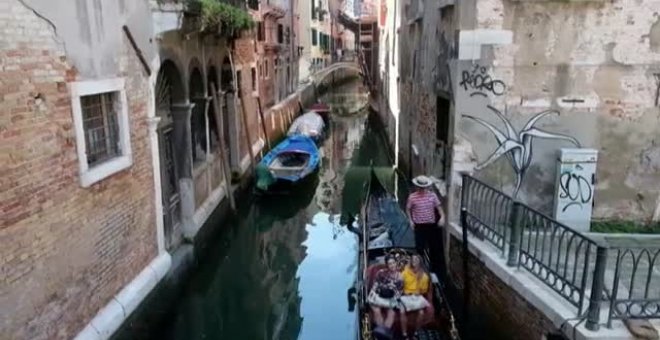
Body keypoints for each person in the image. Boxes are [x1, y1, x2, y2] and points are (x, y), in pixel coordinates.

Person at [406, 175, 444, 256]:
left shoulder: (432, 196)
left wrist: (442, 217)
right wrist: (410, 221)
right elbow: (408, 209)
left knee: (434, 249)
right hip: (419, 226)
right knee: (419, 248)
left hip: (431, 226)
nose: (422, 190)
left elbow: (439, 207)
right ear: (417, 187)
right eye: (420, 187)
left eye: (424, 188)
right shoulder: (412, 197)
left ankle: (433, 266)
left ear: (426, 187)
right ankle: (419, 265)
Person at [368, 256, 404, 335]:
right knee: (376, 310)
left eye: (393, 263)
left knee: (391, 312)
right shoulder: (381, 272)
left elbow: (399, 292)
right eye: (390, 264)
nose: (392, 265)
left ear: (396, 263)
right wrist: (372, 292)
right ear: (387, 265)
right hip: (379, 296)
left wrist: (392, 300)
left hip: (391, 298)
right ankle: (381, 332)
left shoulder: (400, 277)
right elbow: (376, 284)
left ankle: (384, 332)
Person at [399, 255, 431, 339]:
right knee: (402, 311)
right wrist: (404, 292)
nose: (414, 261)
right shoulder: (405, 272)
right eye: (413, 259)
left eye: (416, 259)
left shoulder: (424, 276)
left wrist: (419, 292)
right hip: (405, 296)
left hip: (416, 297)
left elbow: (424, 290)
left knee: (421, 313)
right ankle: (404, 334)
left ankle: (416, 333)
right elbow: (400, 284)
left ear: (420, 261)